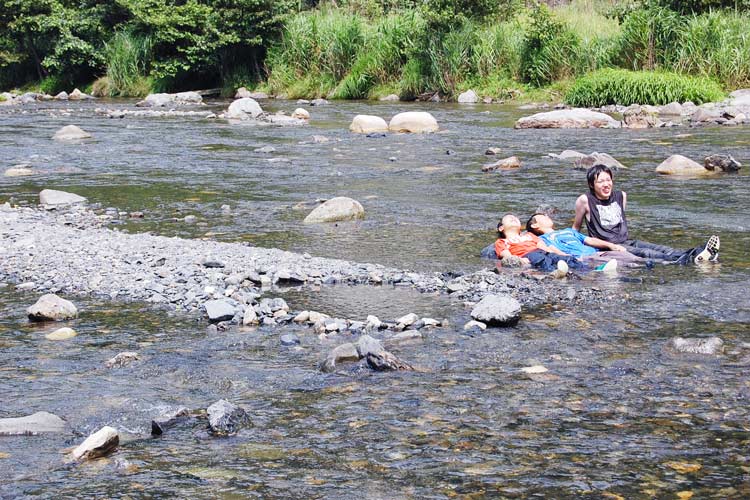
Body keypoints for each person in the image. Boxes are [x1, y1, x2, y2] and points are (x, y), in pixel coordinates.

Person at [573, 164, 720, 264]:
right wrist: (574, 251)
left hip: (626, 241)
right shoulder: (585, 200)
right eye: (600, 181)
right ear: (592, 184)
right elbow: (575, 231)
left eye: (608, 180)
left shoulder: (621, 196)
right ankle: (693, 259)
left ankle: (698, 252)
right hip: (607, 247)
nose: (606, 184)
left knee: (663, 249)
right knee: (647, 253)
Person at [526, 213, 647, 266]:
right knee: (627, 265)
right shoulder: (541, 239)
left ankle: (654, 265)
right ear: (535, 225)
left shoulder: (568, 230)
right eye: (542, 216)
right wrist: (569, 259)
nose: (547, 216)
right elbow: (552, 250)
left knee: (635, 258)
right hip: (582, 258)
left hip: (597, 253)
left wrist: (611, 246)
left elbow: (590, 240)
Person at [492, 213, 589, 272]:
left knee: (565, 259)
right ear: (501, 228)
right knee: (542, 260)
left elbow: (545, 247)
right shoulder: (501, 242)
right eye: (510, 218)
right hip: (528, 255)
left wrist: (563, 254)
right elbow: (508, 256)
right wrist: (520, 260)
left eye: (516, 218)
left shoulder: (529, 235)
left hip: (541, 251)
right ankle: (555, 273)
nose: (514, 218)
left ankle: (588, 271)